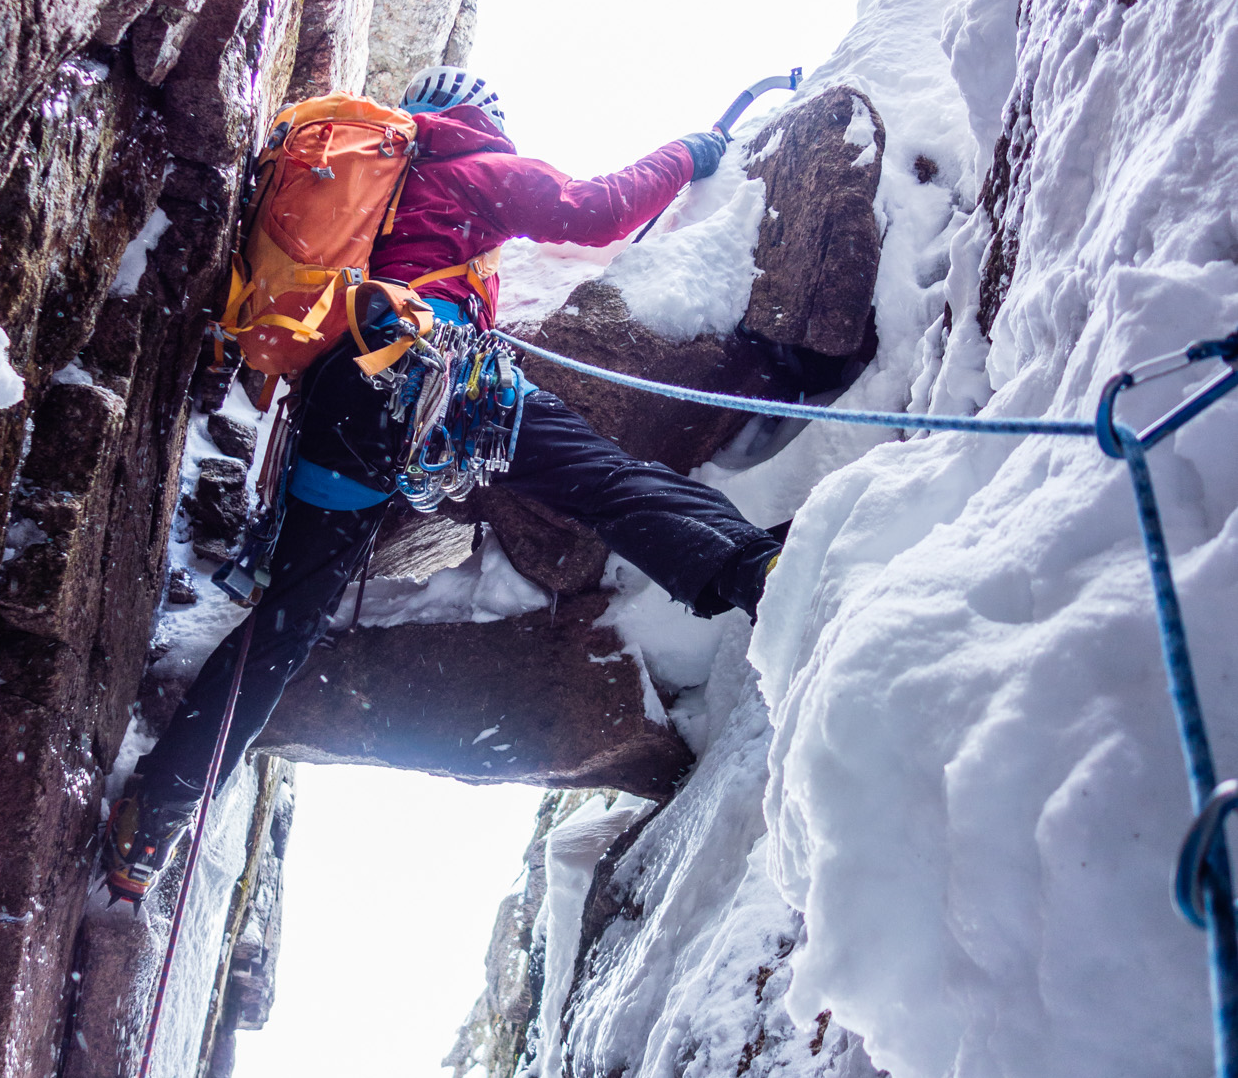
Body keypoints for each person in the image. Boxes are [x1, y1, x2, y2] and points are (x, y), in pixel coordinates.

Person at [108, 67, 784, 899]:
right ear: (481, 119)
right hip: (434, 373)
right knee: (605, 480)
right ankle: (752, 570)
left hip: (339, 402)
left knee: (286, 625)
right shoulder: (474, 166)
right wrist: (689, 151)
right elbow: (599, 212)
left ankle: (155, 821)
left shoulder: (369, 187)